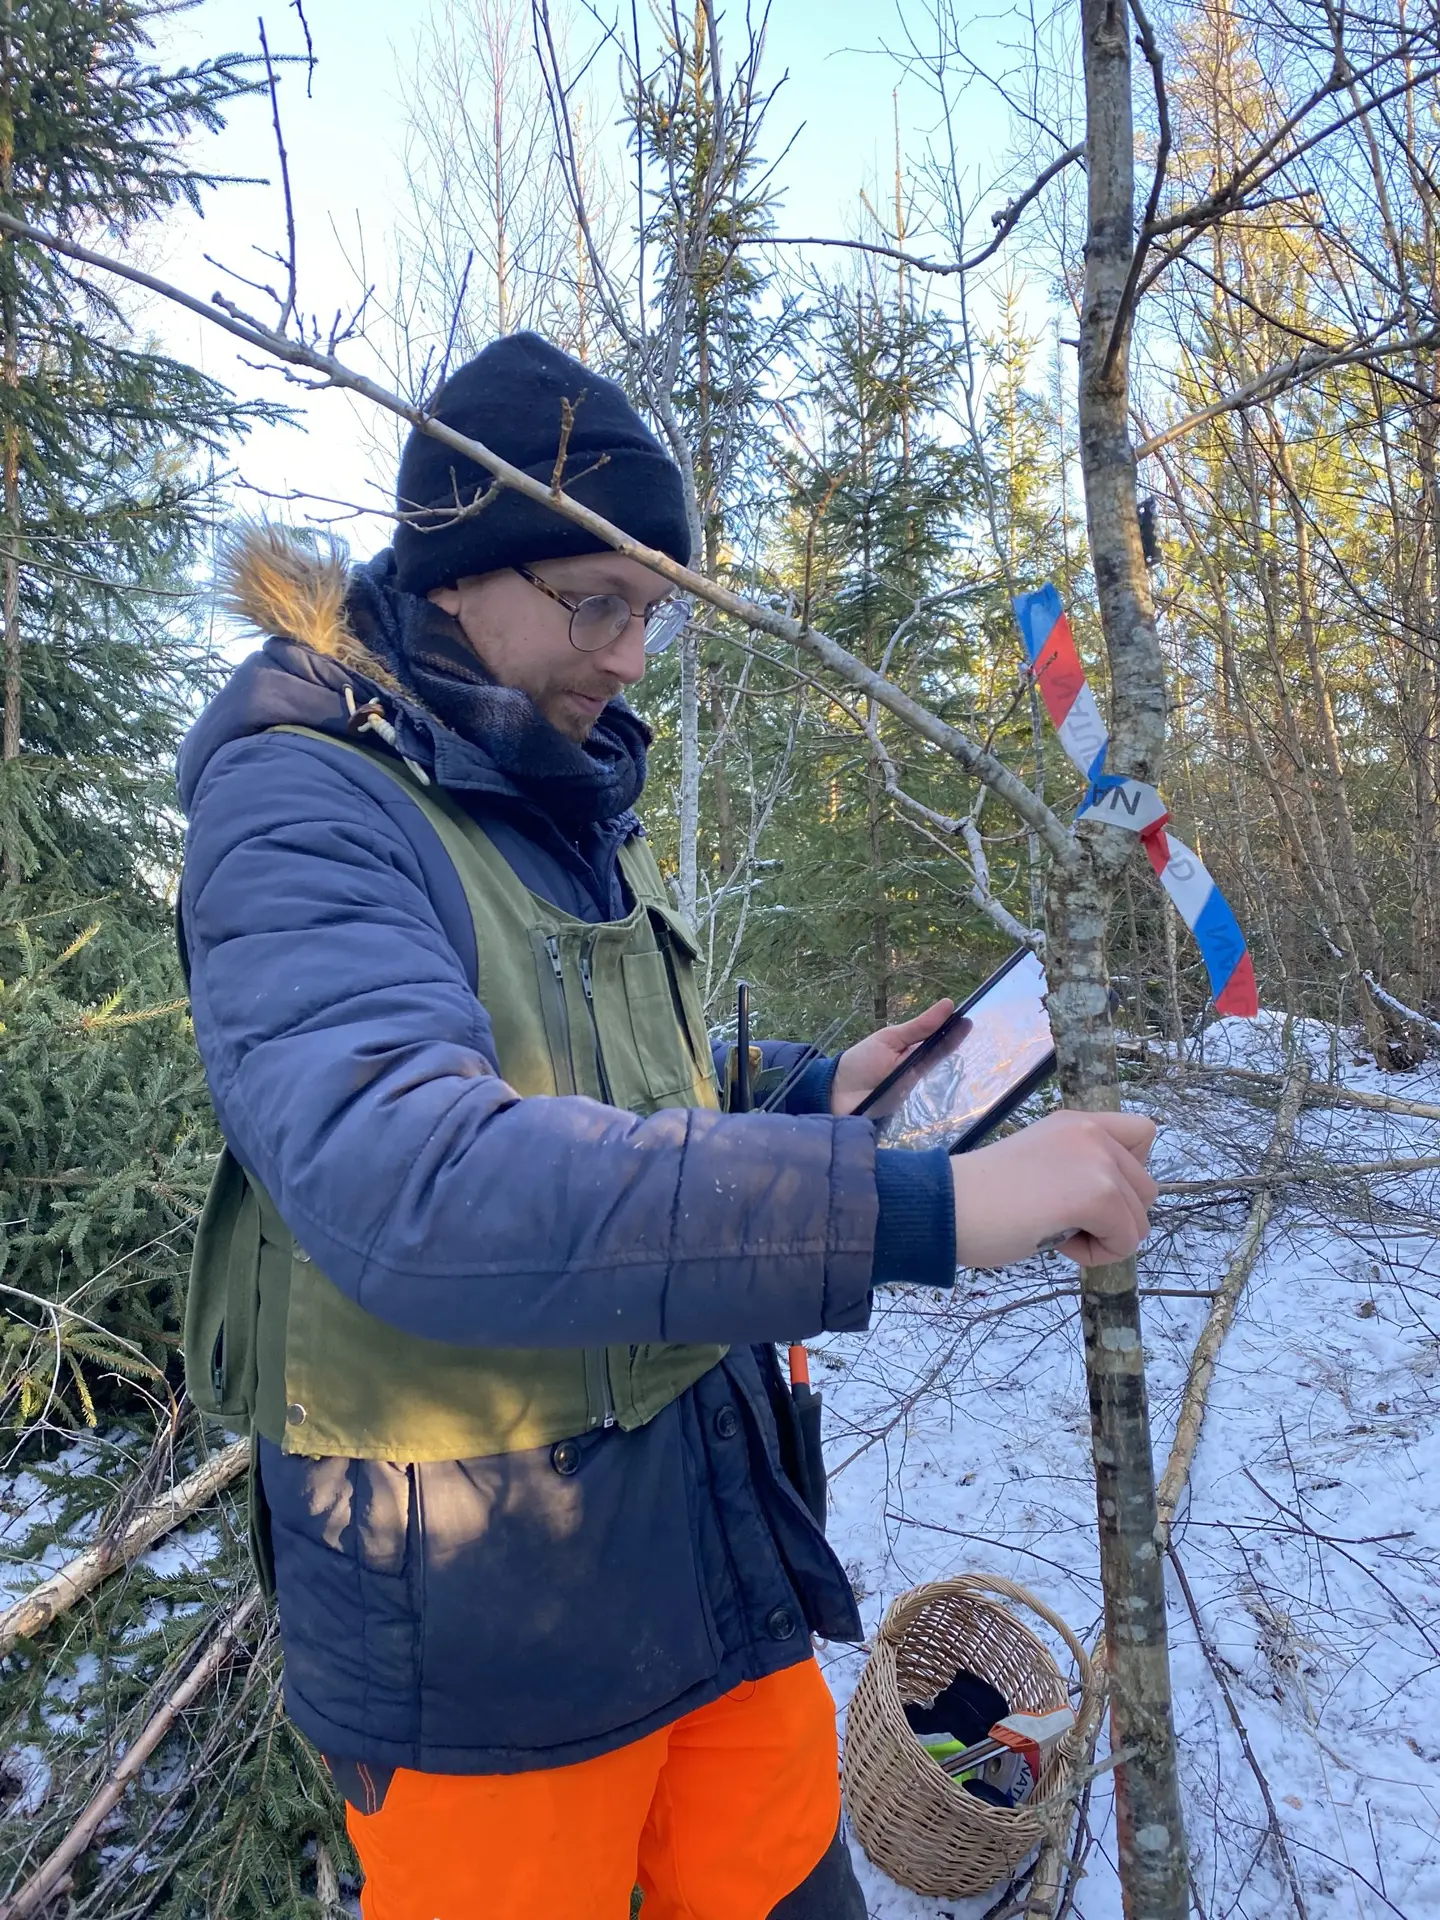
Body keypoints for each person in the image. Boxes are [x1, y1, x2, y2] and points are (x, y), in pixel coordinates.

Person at [176, 332, 1158, 1920]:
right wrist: (923, 1212)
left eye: (655, 613)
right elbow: (417, 1181)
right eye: (596, 600)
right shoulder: (307, 808)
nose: (634, 654)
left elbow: (611, 1086)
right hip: (485, 1648)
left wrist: (805, 1092)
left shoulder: (545, 787)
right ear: (455, 568)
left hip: (708, 1563)